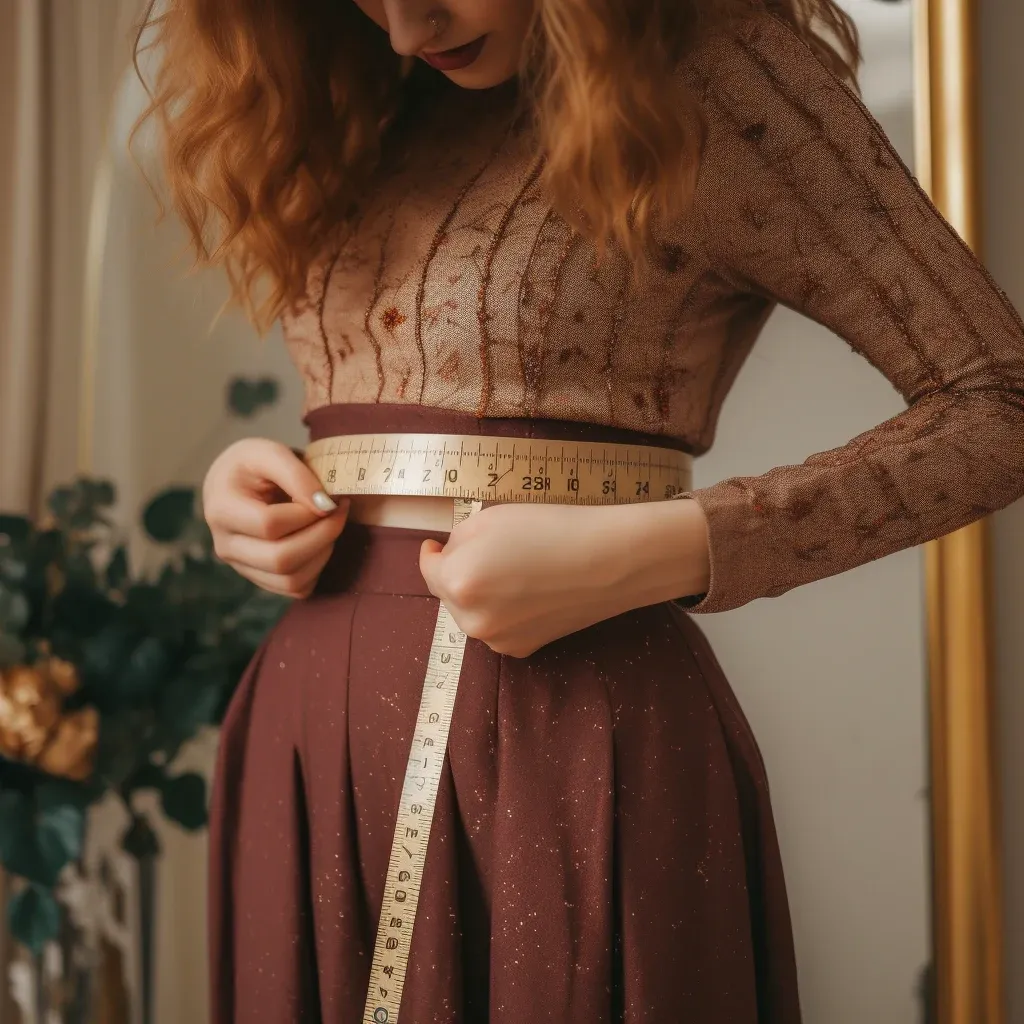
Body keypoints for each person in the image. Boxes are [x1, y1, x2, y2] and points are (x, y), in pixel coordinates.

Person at [134, 0, 1024, 1020]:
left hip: (568, 741)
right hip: (311, 729)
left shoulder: (720, 75)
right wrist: (261, 488)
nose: (404, 31)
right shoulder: (359, 86)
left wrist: (661, 549)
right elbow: (418, 396)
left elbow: (998, 402)